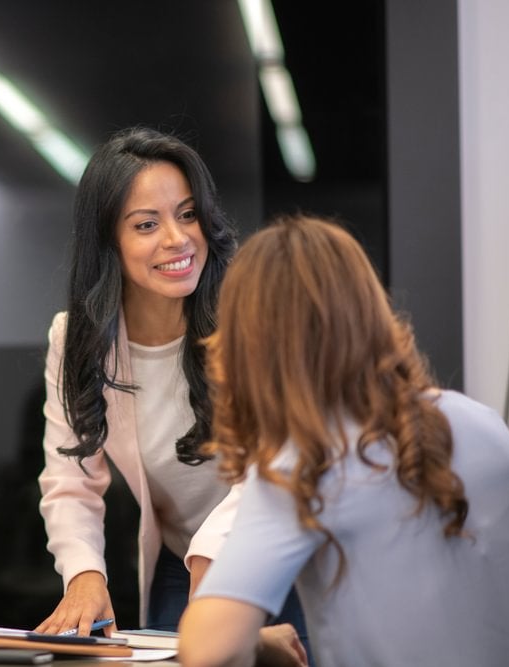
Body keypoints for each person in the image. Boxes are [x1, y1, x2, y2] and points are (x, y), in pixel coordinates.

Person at [179, 215, 509, 666]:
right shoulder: (483, 425)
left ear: (250, 347)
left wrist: (260, 643)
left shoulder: (304, 468)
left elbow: (208, 650)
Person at [36, 126, 307, 643]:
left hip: (280, 557)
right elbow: (70, 480)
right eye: (145, 224)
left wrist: (211, 559)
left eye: (187, 214)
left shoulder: (252, 316)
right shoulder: (75, 340)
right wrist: (84, 577)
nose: (177, 238)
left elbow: (278, 462)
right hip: (181, 565)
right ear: (108, 240)